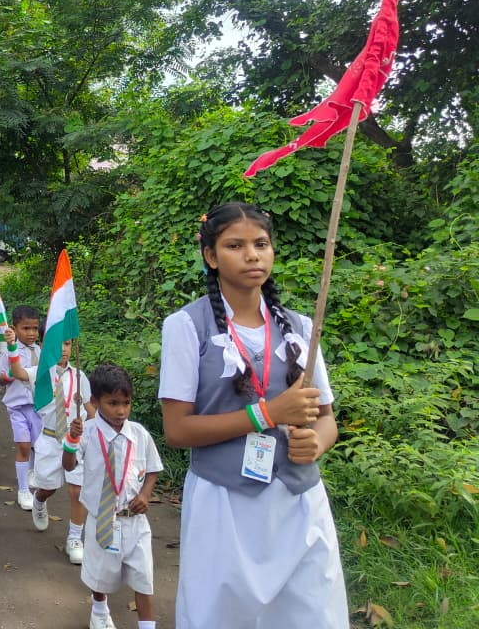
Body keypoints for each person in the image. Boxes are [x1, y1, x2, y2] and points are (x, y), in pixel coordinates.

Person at [160, 202, 346, 628]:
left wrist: (317, 441)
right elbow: (177, 429)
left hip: (298, 504)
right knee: (222, 616)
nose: (252, 255)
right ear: (211, 256)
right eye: (235, 245)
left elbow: (327, 417)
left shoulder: (300, 328)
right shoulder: (187, 327)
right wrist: (266, 413)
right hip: (225, 506)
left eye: (261, 244)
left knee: (310, 615)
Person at [64, 363, 163, 629]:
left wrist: (145, 493)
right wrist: (71, 441)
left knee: (144, 580)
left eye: (126, 403)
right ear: (95, 402)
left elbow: (153, 468)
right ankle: (99, 608)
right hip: (102, 518)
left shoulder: (138, 434)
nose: (121, 410)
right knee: (101, 575)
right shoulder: (87, 432)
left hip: (135, 522)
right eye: (113, 403)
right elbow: (69, 465)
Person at [28, 335, 94, 560]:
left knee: (78, 491)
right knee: (49, 488)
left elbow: (90, 408)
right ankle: (39, 499)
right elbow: (16, 373)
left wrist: (99, 430)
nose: (63, 350)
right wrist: (10, 345)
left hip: (76, 439)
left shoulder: (79, 376)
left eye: (67, 344)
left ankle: (75, 538)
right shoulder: (40, 374)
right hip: (50, 440)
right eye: (57, 344)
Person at [1, 306, 43, 510]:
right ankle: (23, 490)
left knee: (38, 446)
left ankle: (32, 478)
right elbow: (1, 378)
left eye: (34, 328)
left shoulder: (40, 351)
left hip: (38, 407)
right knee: (24, 446)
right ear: (14, 328)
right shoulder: (9, 350)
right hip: (17, 406)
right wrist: (11, 373)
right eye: (26, 328)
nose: (31, 333)